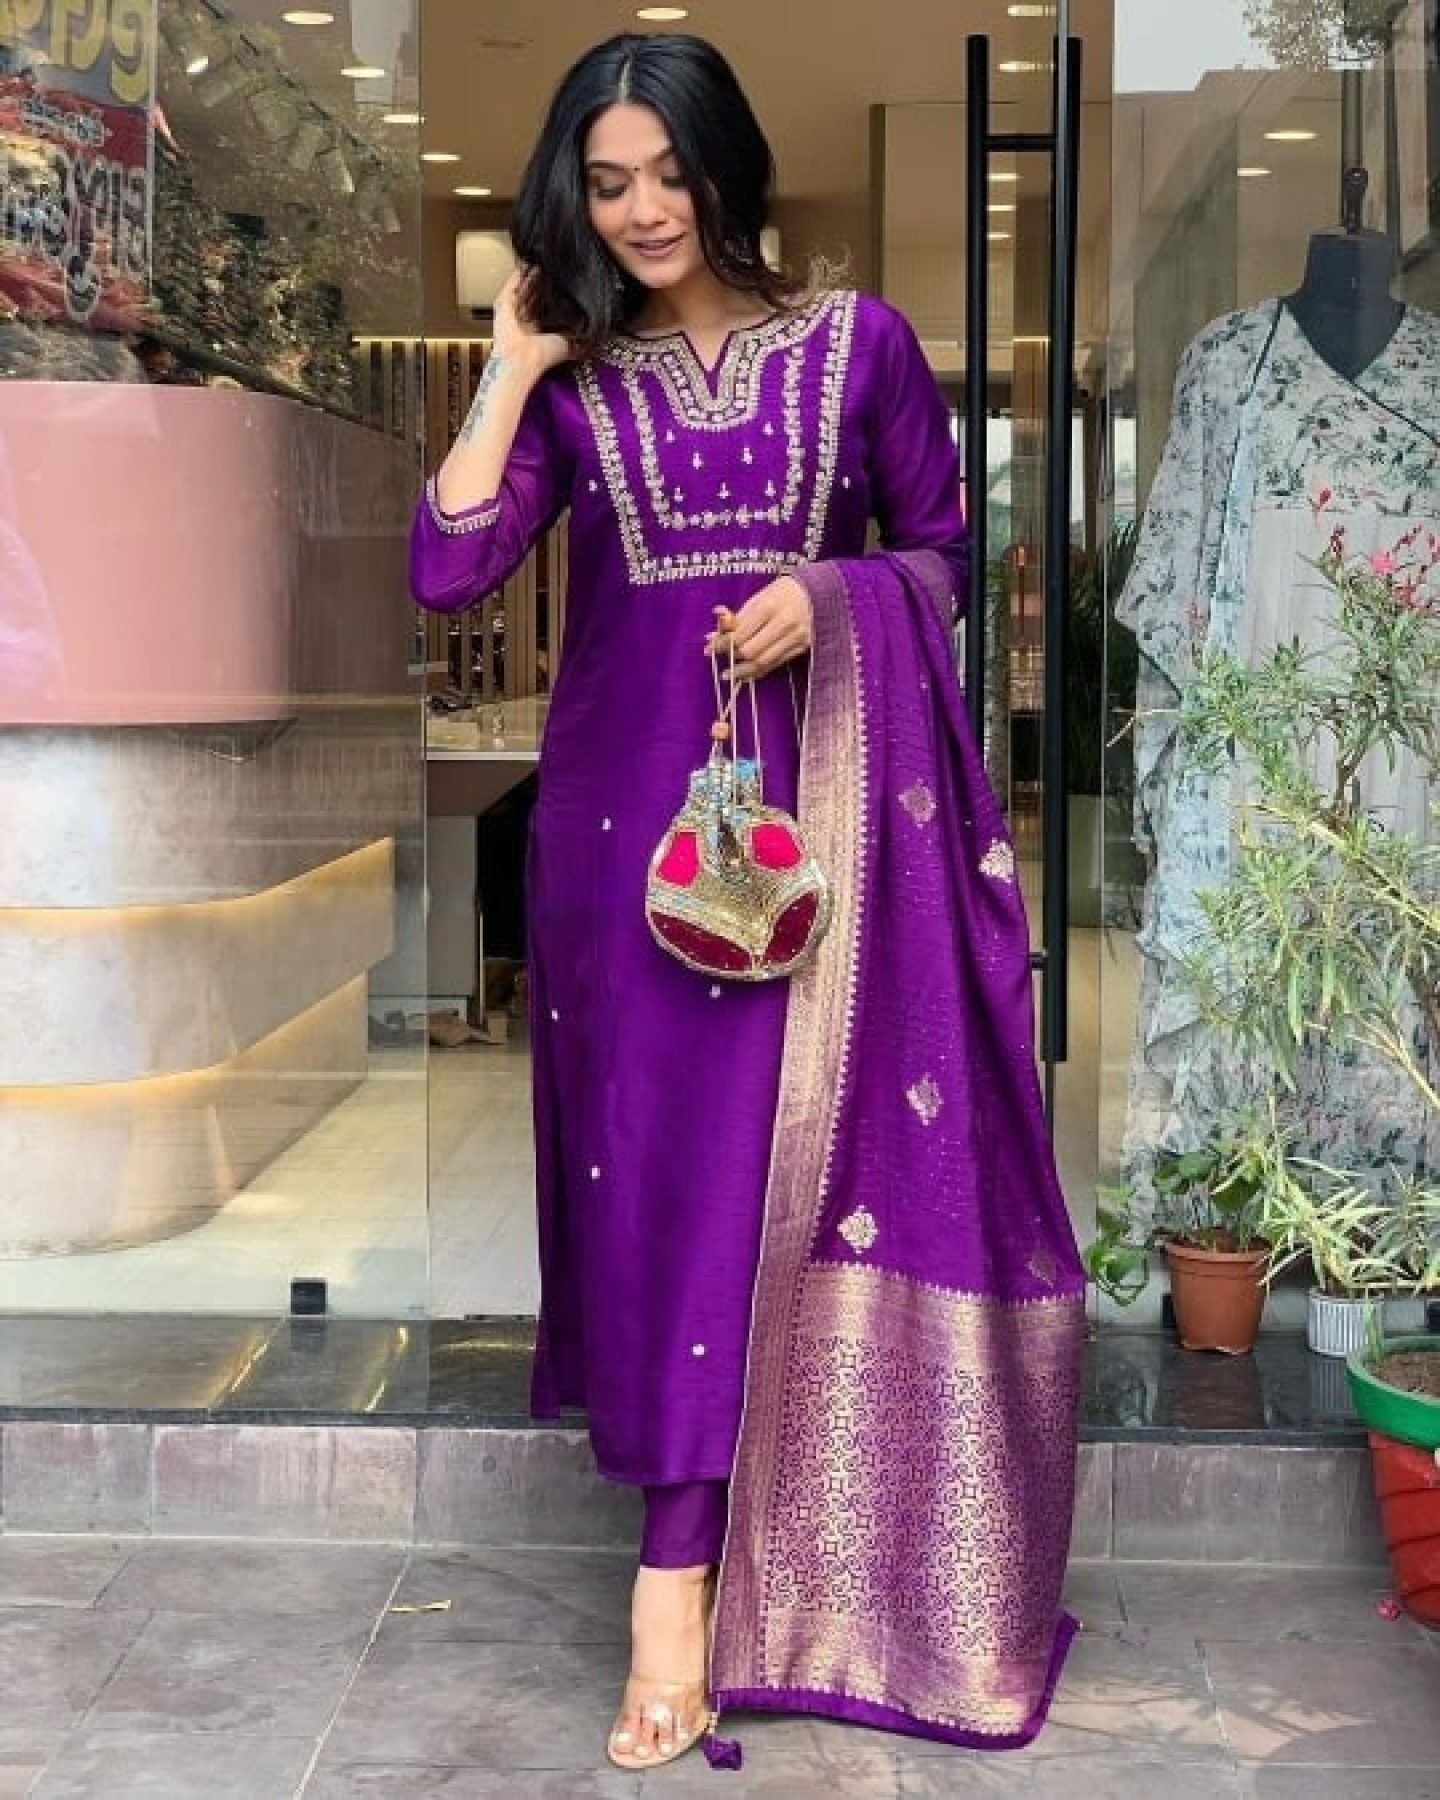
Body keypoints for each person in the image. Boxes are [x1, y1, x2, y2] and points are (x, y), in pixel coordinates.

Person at [411, 31, 1085, 1774]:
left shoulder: (858, 346)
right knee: (660, 1189)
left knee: (776, 1175)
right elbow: (448, 564)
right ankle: (676, 1574)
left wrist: (831, 595)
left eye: (667, 171)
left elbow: (944, 555)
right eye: (606, 183)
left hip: (819, 833)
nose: (643, 210)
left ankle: (732, 1567)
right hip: (623, 851)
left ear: (726, 165)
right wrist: (510, 366)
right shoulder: (579, 390)